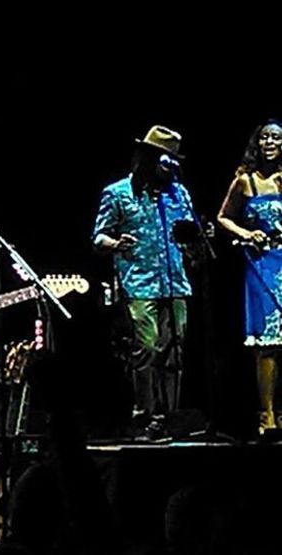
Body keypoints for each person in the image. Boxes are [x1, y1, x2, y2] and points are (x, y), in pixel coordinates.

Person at [92, 125, 198, 439]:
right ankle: (145, 414)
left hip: (175, 282)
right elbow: (98, 237)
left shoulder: (179, 193)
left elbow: (190, 236)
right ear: (149, 158)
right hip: (138, 282)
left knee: (175, 352)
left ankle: (170, 416)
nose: (167, 165)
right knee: (147, 348)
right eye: (163, 158)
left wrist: (197, 244)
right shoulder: (119, 192)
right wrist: (114, 243)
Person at [216, 119, 282, 433]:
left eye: (277, 138)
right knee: (268, 343)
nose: (270, 142)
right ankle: (266, 414)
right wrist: (246, 232)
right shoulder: (246, 181)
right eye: (265, 137)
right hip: (262, 264)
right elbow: (223, 217)